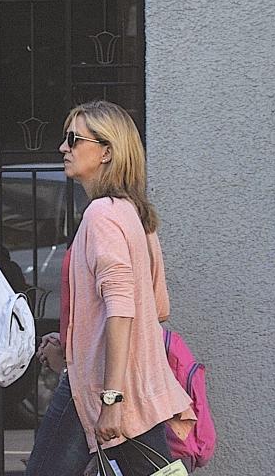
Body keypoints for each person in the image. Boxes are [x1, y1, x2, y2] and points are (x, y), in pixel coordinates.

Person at [25, 101, 195, 476]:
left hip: (102, 385)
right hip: (129, 384)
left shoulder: (102, 215)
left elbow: (123, 309)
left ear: (106, 152)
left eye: (73, 139)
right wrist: (75, 339)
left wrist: (112, 398)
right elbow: (157, 306)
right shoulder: (134, 213)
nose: (63, 148)